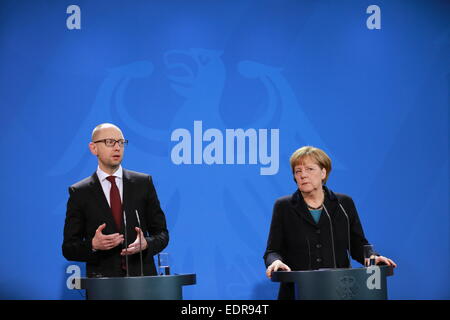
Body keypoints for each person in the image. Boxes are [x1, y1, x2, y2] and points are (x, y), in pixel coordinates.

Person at [263, 146, 397, 299]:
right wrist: (276, 262)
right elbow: (272, 250)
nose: (303, 175)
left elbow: (357, 244)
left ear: (323, 172)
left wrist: (373, 258)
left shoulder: (343, 204)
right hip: (298, 292)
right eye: (298, 171)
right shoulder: (284, 206)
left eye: (309, 169)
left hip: (339, 291)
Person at [62, 123, 169, 277]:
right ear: (93, 148)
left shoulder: (143, 183)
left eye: (121, 142)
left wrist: (147, 243)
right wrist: (93, 245)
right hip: (103, 286)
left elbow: (162, 234)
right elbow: (69, 248)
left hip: (143, 284)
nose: (117, 147)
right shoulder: (79, 192)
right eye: (109, 142)